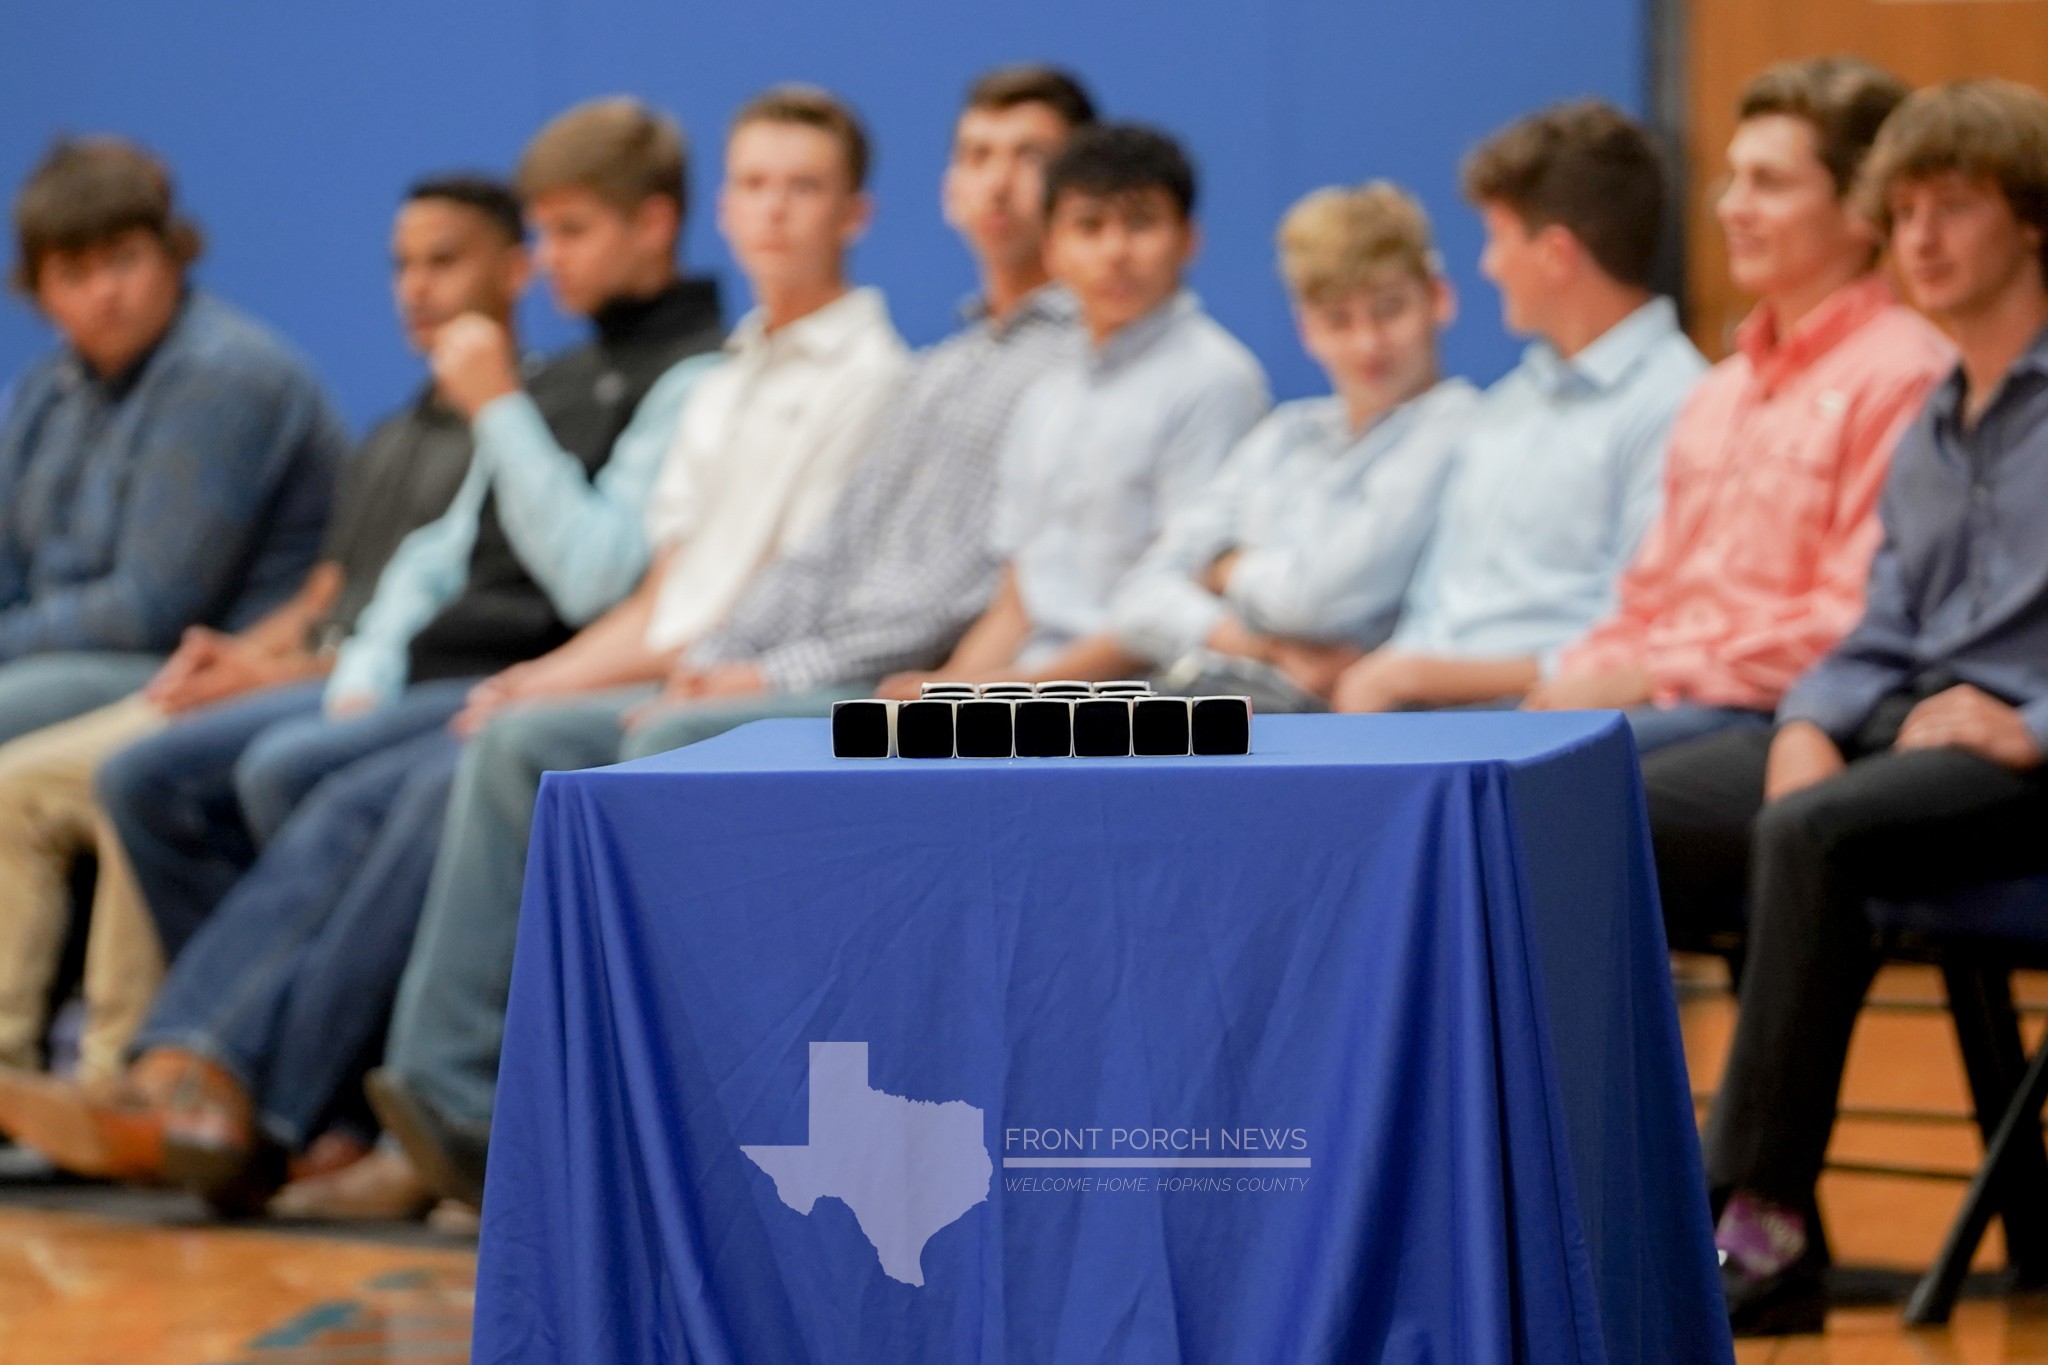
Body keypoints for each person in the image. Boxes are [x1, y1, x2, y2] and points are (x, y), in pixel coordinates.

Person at [0, 86, 911, 1212]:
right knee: (234, 770)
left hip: (711, 679)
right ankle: (232, 1086)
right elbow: (548, 576)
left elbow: (663, 589)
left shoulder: (842, 382)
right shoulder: (715, 379)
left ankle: (301, 1099)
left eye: (802, 187)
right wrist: (425, 666)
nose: (773, 212)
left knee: (384, 772)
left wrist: (563, 645)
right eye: (756, 184)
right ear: (721, 204)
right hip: (573, 663)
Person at [326, 65, 1097, 1218]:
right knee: (508, 742)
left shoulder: (1010, 368)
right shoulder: (926, 368)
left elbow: (960, 594)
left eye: (1028, 158)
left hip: (913, 681)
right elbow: (791, 568)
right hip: (805, 657)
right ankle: (451, 1108)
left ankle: (642, 1137)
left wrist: (748, 671)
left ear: (856, 212)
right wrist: (691, 657)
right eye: (978, 155)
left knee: (663, 743)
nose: (999, 184)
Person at [1644, 79, 2048, 1336]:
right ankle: (1604, 1193)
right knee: (1593, 806)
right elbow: (1874, 627)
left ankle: (1749, 1222)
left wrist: (2033, 721)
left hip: (2019, 751)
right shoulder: (1940, 422)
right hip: (1914, 726)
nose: (1921, 237)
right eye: (1906, 211)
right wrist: (1812, 716)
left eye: (1955, 209)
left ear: (2027, 222)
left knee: (1812, 833)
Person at [0, 175, 526, 1085]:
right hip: (308, 668)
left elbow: (162, 608)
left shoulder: (512, 425)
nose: (416, 288)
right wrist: (251, 656)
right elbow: (332, 593)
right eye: (402, 264)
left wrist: (258, 671)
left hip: (394, 682)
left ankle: (136, 1072)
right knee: (131, 770)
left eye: (443, 262)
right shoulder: (397, 430)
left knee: (170, 763)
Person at [1522, 58, 1953, 753]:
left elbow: (1851, 619)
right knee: (1487, 764)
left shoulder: (1904, 373)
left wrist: (1643, 673)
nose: (1731, 207)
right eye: (1732, 179)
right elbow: (1647, 595)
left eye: (1770, 183)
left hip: (1785, 714)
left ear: (1861, 210)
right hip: (1674, 699)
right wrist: (1581, 673)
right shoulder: (1719, 391)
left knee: (1539, 792)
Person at [1328, 101, 1706, 714]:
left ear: (1556, 254)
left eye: (1499, 239)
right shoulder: (1507, 403)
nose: (1489, 264)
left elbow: (1642, 634)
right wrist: (1390, 671)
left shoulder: (1679, 404)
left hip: (1541, 718)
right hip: (1412, 704)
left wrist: (1421, 677)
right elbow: (1433, 606)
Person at [880, 121, 1269, 698]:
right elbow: (1017, 605)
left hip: (1155, 697)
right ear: (1053, 249)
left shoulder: (1215, 380)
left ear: (1189, 240)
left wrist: (1010, 691)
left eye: (1141, 223)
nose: (1115, 251)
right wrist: (948, 689)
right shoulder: (1047, 396)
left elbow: (1181, 595)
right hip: (1036, 695)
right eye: (1089, 227)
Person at [0, 137, 345, 744]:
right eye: (74, 273)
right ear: (38, 293)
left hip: (211, 668)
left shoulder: (227, 374)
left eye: (124, 260)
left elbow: (150, 610)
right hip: (73, 659)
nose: (104, 291)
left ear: (174, 256)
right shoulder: (44, 390)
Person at [1109, 180, 1475, 706]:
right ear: (1307, 329)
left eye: (1390, 310)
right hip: (1208, 688)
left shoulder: (1452, 426)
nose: (1368, 343)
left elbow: (1316, 600)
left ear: (1438, 298)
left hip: (1321, 717)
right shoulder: (1285, 432)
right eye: (1338, 320)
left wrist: (1224, 566)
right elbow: (1136, 599)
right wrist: (1263, 647)